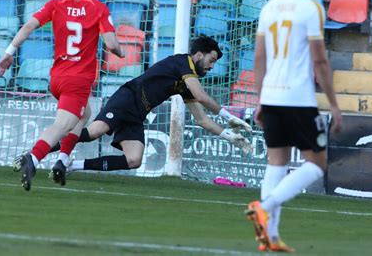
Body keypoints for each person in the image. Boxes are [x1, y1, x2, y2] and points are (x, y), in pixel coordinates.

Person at [14, 35, 253, 178]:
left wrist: (229, 136)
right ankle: (34, 155)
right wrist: (226, 114)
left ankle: (73, 165)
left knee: (134, 160)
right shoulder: (183, 63)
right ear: (198, 55)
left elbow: (201, 119)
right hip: (127, 98)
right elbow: (201, 96)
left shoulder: (187, 82)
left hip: (138, 114)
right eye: (211, 61)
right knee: (94, 132)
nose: (211, 67)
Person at [245, 0, 343, 253]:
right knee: (317, 164)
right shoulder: (310, 7)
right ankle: (265, 207)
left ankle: (269, 237)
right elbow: (320, 60)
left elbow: (259, 57)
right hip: (299, 99)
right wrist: (334, 104)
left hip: (272, 96)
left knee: (277, 164)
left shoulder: (270, 5)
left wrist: (260, 98)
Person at [0, 0, 123, 191]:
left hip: (57, 78)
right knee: (63, 125)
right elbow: (112, 44)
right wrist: (121, 51)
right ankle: (32, 159)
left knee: (85, 113)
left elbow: (28, 26)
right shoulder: (98, 8)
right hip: (78, 79)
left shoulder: (56, 4)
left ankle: (62, 160)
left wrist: (9, 51)